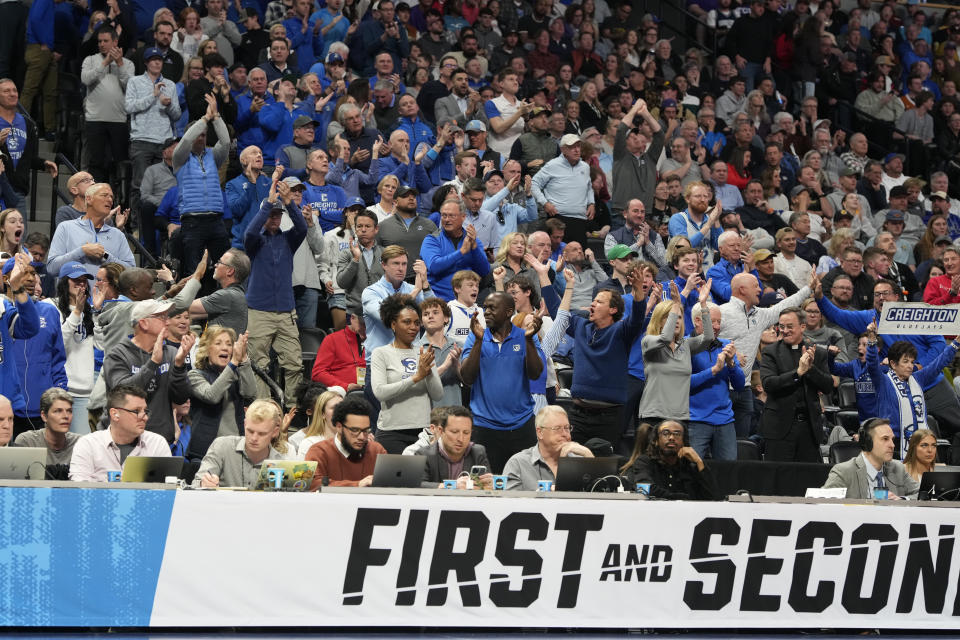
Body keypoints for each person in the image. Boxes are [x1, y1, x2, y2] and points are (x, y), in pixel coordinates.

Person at [718, 271, 813, 438]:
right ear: (742, 289)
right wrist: (729, 351)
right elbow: (704, 341)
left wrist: (808, 288)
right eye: (755, 286)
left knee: (742, 443)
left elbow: (783, 307)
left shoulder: (759, 315)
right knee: (720, 441)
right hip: (721, 387)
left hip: (745, 388)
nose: (759, 289)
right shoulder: (721, 312)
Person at [461, 291, 544, 473]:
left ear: (508, 312)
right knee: (484, 486)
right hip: (484, 426)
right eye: (485, 308)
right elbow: (466, 377)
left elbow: (535, 373)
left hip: (521, 425)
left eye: (492, 308)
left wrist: (529, 340)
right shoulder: (476, 336)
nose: (486, 312)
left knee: (525, 485)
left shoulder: (526, 336)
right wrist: (478, 341)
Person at [244, 171, 307, 401]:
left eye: (277, 215)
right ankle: (263, 408)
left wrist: (289, 203)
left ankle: (293, 408)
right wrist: (269, 202)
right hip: (259, 312)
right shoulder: (255, 242)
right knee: (258, 364)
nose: (274, 218)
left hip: (286, 311)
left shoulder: (288, 239)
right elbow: (250, 231)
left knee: (294, 363)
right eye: (270, 215)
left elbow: (302, 228)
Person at [865, 321, 960, 457]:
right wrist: (872, 339)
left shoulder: (917, 378)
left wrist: (956, 342)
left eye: (912, 362)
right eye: (905, 361)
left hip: (917, 442)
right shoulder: (883, 381)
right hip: (891, 443)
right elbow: (872, 363)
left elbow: (938, 364)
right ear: (893, 363)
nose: (910, 366)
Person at [759, 307, 835, 462]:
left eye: (789, 326)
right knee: (778, 479)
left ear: (802, 327)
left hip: (809, 428)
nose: (785, 330)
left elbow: (828, 386)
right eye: (781, 326)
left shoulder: (817, 352)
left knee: (808, 479)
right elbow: (769, 384)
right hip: (779, 428)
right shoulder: (770, 352)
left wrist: (811, 369)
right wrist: (798, 373)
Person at [371, 294, 443, 453]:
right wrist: (416, 377)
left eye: (417, 323)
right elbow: (380, 392)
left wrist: (428, 372)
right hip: (391, 433)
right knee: (391, 478)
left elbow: (438, 395)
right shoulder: (381, 353)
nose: (413, 327)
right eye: (407, 322)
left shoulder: (424, 352)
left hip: (423, 433)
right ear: (393, 324)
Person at [172, 94, 232, 282]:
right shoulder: (180, 158)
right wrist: (204, 119)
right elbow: (185, 141)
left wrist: (216, 117)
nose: (201, 138)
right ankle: (191, 308)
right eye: (198, 134)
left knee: (225, 265)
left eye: (204, 135)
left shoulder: (213, 156)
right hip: (192, 221)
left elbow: (226, 142)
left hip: (215, 220)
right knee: (193, 270)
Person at [4, 257, 67, 437]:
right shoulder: (3, 311)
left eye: (34, 273)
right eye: (25, 273)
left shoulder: (49, 311)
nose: (32, 278)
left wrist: (61, 392)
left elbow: (57, 359)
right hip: (7, 410)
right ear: (7, 278)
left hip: (42, 409)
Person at [638, 280, 714, 426]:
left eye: (679, 317)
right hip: (653, 416)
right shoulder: (648, 342)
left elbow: (709, 338)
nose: (677, 321)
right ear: (659, 321)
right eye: (670, 316)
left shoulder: (685, 345)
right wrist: (675, 304)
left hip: (681, 418)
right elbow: (666, 338)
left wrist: (703, 303)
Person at [69, 385, 172, 482]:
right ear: (115, 414)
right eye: (136, 411)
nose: (145, 417)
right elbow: (79, 489)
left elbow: (168, 490)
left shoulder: (157, 444)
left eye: (145, 411)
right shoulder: (88, 444)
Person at [186, 326, 257, 462]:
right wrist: (234, 362)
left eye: (229, 344)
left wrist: (244, 358)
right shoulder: (195, 375)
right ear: (207, 350)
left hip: (236, 448)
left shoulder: (236, 374)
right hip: (205, 452)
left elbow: (250, 393)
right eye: (218, 343)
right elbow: (212, 395)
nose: (225, 348)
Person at [193, 399, 295, 488]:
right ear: (245, 424)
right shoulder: (221, 446)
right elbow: (195, 484)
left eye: (262, 434)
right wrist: (204, 484)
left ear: (275, 432)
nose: (254, 438)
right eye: (250, 431)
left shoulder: (281, 464)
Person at [688, 301, 744, 461]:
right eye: (713, 321)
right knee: (691, 473)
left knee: (728, 474)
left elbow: (740, 385)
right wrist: (713, 370)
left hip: (725, 420)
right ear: (698, 320)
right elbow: (682, 383)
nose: (718, 326)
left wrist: (731, 364)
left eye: (719, 321)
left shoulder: (726, 345)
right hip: (695, 420)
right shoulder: (685, 346)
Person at [81, 27, 135, 185]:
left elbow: (131, 87)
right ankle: (95, 197)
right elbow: (86, 79)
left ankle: (118, 199)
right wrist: (105, 62)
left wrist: (119, 64)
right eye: (99, 41)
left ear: (115, 42)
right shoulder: (90, 60)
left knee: (119, 163)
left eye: (106, 41)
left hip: (118, 119)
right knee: (96, 163)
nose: (102, 44)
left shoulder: (128, 64)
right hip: (94, 119)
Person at [47, 183, 136, 277]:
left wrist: (105, 256)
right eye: (104, 195)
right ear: (89, 199)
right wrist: (82, 251)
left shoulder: (118, 235)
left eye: (111, 197)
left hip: (106, 292)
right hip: (74, 291)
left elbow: (130, 272)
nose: (110, 200)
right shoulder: (66, 227)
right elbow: (52, 268)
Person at [822, 418, 919, 499]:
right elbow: (822, 503)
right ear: (867, 442)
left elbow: (924, 494)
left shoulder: (897, 467)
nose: (892, 445)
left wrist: (902, 500)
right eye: (885, 439)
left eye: (892, 439)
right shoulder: (843, 472)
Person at [621, 420, 719, 500]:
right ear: (656, 441)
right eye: (665, 433)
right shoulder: (644, 462)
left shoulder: (690, 465)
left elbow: (712, 497)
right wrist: (682, 498)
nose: (671, 437)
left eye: (677, 434)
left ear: (684, 441)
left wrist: (699, 461)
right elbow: (644, 489)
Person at [502, 405, 594, 490]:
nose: (565, 434)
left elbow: (600, 497)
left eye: (567, 428)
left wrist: (588, 455)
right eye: (557, 428)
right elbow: (509, 504)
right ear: (540, 432)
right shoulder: (518, 464)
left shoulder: (580, 460)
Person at [304, 395, 386, 489]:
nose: (362, 437)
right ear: (339, 427)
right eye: (355, 430)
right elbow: (313, 484)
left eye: (366, 430)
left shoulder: (377, 450)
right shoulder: (319, 451)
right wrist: (357, 485)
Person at [420, 199, 491, 300]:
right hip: (439, 301)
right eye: (444, 215)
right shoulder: (432, 239)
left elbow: (484, 271)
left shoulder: (472, 240)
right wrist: (461, 252)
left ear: (463, 217)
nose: (447, 219)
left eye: (452, 216)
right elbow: (434, 266)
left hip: (467, 302)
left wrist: (474, 248)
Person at [531, 134, 594, 246]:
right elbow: (533, 183)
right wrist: (545, 203)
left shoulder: (585, 167)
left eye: (578, 146)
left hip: (580, 220)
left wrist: (591, 203)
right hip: (558, 218)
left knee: (578, 258)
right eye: (572, 147)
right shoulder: (552, 165)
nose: (576, 150)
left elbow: (589, 187)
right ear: (563, 149)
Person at [612, 98, 664, 223]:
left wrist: (645, 113)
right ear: (624, 142)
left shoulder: (650, 158)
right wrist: (635, 109)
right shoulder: (620, 155)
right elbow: (621, 129)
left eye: (636, 135)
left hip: (644, 214)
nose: (635, 138)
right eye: (630, 137)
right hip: (622, 213)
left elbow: (660, 134)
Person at [417, 405, 493, 488]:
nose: (461, 439)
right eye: (454, 432)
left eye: (466, 433)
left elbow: (486, 486)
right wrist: (452, 486)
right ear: (441, 431)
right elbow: (417, 485)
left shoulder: (478, 452)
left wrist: (489, 484)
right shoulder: (424, 454)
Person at [13, 388, 79, 479]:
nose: (66, 416)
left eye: (69, 411)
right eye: (58, 411)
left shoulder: (80, 443)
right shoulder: (27, 442)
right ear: (44, 416)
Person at [187, 248, 250, 333]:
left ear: (230, 271)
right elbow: (189, 313)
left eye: (219, 262)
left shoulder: (227, 296)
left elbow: (182, 305)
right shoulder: (236, 295)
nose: (215, 265)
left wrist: (198, 274)